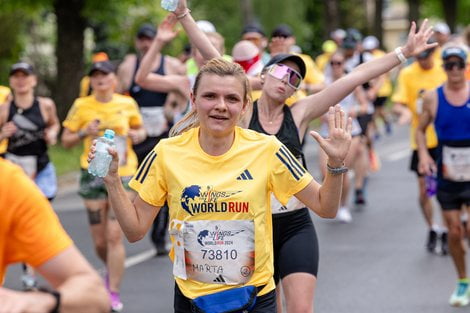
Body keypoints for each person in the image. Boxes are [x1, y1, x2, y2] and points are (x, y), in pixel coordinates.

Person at [137, 8, 436, 311]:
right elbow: (213, 58)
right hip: (250, 225)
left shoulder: (301, 112)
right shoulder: (241, 109)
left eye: (295, 77)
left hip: (294, 222)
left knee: (301, 308)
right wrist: (185, 15)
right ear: (262, 77)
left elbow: (355, 77)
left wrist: (403, 53)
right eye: (281, 71)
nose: (286, 80)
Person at [90, 4, 351, 312]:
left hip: (255, 298)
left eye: (231, 99)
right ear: (194, 99)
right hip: (193, 300)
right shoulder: (167, 152)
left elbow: (326, 207)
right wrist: (112, 182)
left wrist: (335, 166)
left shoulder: (267, 149)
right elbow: (134, 231)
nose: (220, 106)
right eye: (210, 96)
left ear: (244, 106)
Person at [61, 60, 144, 312]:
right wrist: (85, 132)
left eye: (105, 76)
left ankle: (113, 291)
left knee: (114, 235)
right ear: (91, 81)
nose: (100, 80)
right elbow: (65, 141)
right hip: (92, 173)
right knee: (99, 241)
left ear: (114, 80)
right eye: (95, 76)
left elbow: (141, 133)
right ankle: (110, 268)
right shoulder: (81, 105)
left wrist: (133, 134)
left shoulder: (127, 103)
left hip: (124, 173)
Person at [0, 158, 109, 313]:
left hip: (111, 174)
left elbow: (95, 296)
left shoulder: (8, 185)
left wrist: (39, 301)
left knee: (111, 237)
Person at [117, 22, 185, 256]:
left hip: (164, 132)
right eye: (142, 39)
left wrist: (171, 106)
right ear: (137, 42)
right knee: (140, 183)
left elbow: (184, 90)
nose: (146, 43)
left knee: (164, 183)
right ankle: (137, 222)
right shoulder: (129, 65)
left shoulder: (172, 65)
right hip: (138, 134)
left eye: (150, 38)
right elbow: (119, 93)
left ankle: (158, 234)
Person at [416, 43, 470, 306]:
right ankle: (462, 281)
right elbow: (420, 129)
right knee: (455, 231)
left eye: (459, 64)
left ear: (466, 67)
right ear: (444, 68)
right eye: (449, 65)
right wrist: (425, 156)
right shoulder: (432, 98)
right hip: (447, 173)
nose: (455, 70)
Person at [392, 43, 448, 254]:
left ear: (433, 54)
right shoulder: (408, 74)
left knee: (445, 190)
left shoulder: (446, 68)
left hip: (445, 138)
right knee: (425, 191)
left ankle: (446, 229)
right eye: (418, 57)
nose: (422, 60)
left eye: (426, 56)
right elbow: (398, 102)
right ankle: (432, 227)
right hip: (421, 140)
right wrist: (402, 113)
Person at [318, 50, 370, 223]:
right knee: (324, 172)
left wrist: (355, 111)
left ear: (344, 65)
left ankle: (344, 206)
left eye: (339, 63)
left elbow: (365, 106)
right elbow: (314, 107)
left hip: (350, 132)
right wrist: (321, 115)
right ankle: (330, 203)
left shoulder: (351, 84)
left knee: (341, 171)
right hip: (328, 133)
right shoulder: (324, 84)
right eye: (332, 63)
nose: (335, 66)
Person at [0, 62, 60, 201]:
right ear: (11, 81)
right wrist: (3, 134)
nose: (21, 81)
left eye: (25, 76)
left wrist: (52, 134)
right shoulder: (4, 109)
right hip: (14, 166)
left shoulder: (46, 105)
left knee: (42, 208)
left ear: (34, 80)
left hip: (40, 165)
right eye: (16, 77)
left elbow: (54, 124)